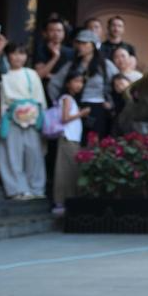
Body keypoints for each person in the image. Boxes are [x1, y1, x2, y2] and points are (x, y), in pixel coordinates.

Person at [0, 42, 47, 200]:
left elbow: (40, 98)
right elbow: (1, 100)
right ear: (8, 56)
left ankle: (36, 188)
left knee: (34, 154)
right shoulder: (2, 75)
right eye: (15, 53)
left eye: (22, 53)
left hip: (32, 117)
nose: (18, 57)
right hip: (10, 118)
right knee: (12, 155)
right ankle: (17, 189)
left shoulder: (31, 74)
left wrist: (38, 116)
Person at [48, 30, 118, 138]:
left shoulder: (105, 65)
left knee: (95, 143)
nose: (81, 46)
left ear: (93, 46)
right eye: (79, 43)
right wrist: (61, 103)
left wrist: (111, 103)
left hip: (98, 107)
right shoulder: (72, 65)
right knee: (76, 141)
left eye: (85, 43)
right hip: (76, 108)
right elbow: (54, 84)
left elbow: (118, 83)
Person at [50, 69, 89, 217]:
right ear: (68, 83)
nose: (79, 85)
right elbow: (65, 118)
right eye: (76, 81)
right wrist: (81, 113)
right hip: (67, 138)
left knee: (71, 170)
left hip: (72, 139)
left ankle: (66, 200)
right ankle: (60, 201)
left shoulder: (70, 99)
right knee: (65, 171)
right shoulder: (67, 98)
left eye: (81, 82)